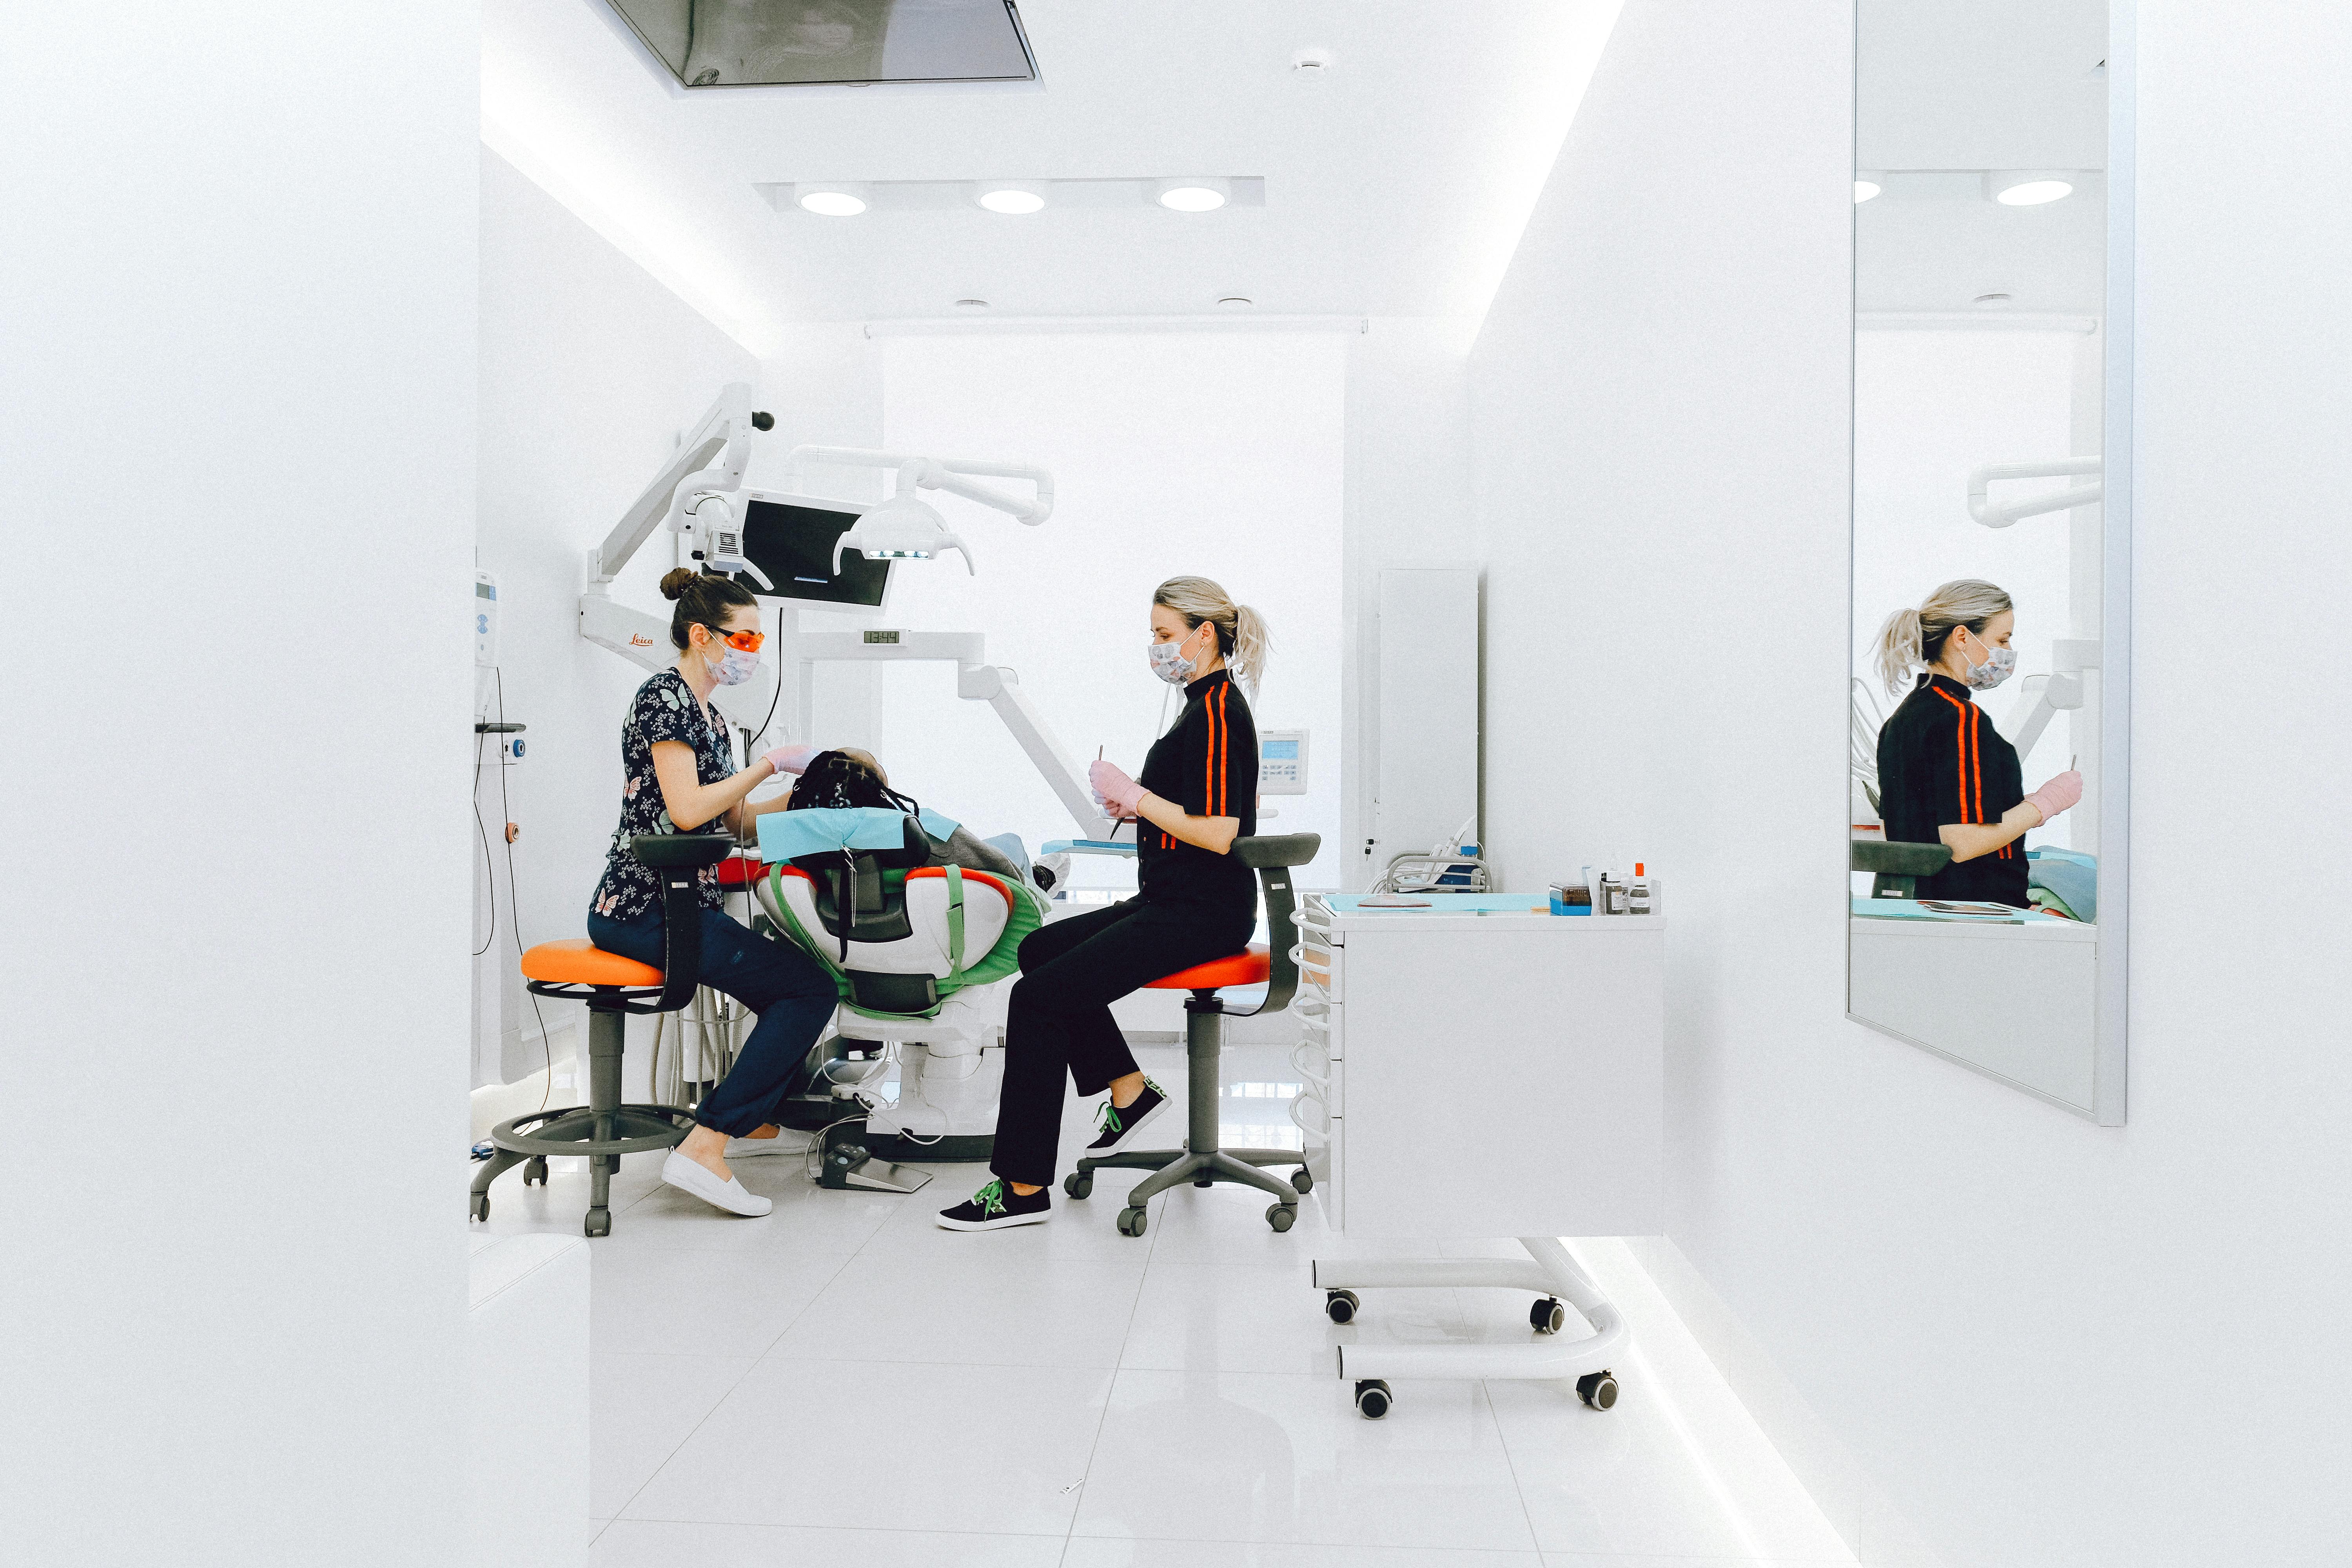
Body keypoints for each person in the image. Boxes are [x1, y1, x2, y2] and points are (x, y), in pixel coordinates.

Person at [938, 576, 1270, 1231]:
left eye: (1164, 635)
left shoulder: (1220, 710)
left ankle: (1023, 1187)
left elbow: (1223, 830)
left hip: (1204, 913)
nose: (1155, 647)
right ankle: (1129, 1089)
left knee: (1036, 999)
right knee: (1040, 949)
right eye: (1153, 634)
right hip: (1175, 899)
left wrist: (1136, 796)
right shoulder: (1197, 706)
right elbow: (1188, 814)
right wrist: (1132, 804)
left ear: (1205, 635)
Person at [584, 567, 837, 1217]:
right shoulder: (661, 700)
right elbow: (690, 809)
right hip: (641, 910)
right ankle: (707, 1144)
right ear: (702, 635)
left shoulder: (713, 719)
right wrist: (766, 765)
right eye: (745, 639)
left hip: (682, 906)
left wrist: (813, 799)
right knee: (808, 990)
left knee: (792, 984)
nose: (753, 651)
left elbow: (738, 822)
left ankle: (745, 1119)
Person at [1872, 579, 2083, 909]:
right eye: (2002, 639)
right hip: (1972, 910)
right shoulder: (1960, 718)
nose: (2008, 653)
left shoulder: (1902, 720)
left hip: (1915, 906)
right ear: (1961, 637)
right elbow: (1962, 842)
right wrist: (2045, 803)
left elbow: (1924, 824)